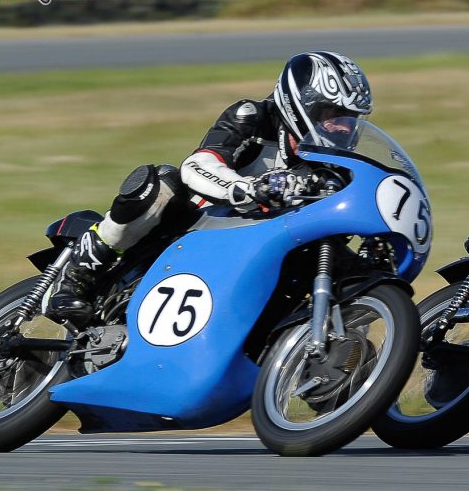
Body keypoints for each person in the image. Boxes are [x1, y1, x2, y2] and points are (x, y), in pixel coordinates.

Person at [46, 50, 373, 328]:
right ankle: (78, 275)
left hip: (257, 248)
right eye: (333, 114)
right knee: (160, 184)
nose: (342, 126)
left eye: (350, 118)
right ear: (301, 103)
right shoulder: (252, 117)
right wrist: (246, 188)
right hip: (194, 225)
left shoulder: (334, 160)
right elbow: (198, 166)